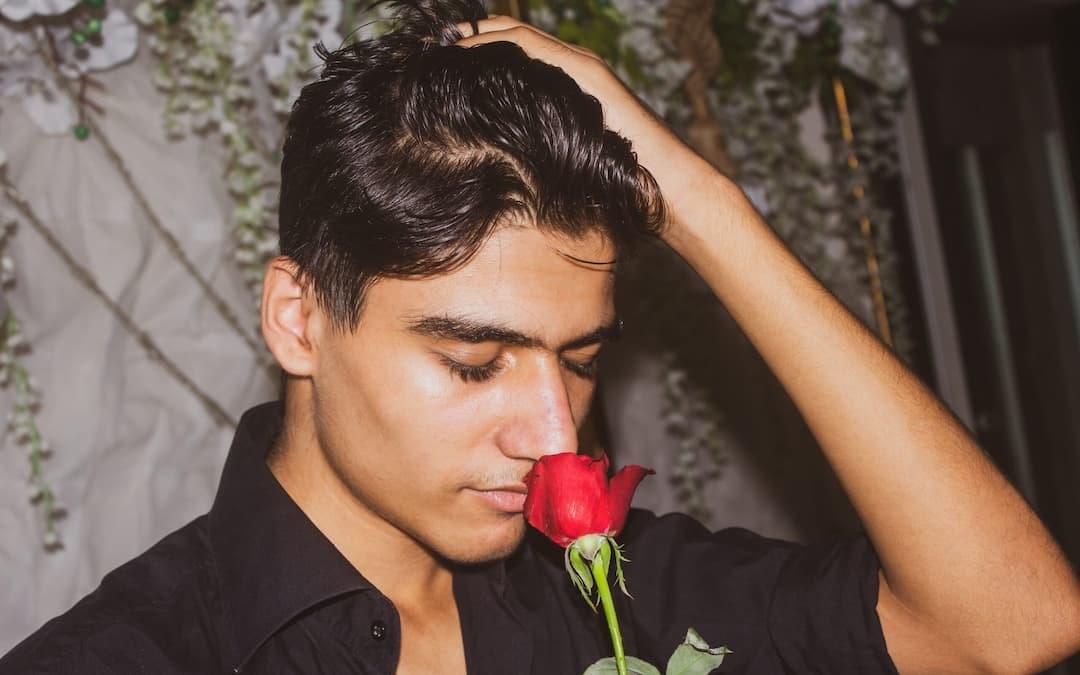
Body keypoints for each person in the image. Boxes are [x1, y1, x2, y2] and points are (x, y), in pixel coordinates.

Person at [4, 0, 1080, 673]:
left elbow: (1016, 625)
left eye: (581, 359)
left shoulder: (617, 586)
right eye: (473, 361)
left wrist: (701, 204)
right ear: (299, 319)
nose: (552, 433)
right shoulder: (130, 656)